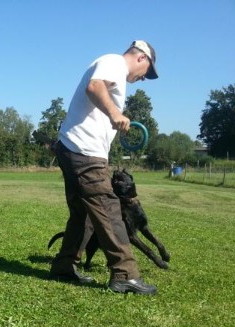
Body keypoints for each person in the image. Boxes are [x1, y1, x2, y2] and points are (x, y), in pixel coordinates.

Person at [50, 40, 159, 295]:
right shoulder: (114, 63)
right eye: (148, 73)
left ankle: (65, 266)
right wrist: (114, 114)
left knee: (84, 214)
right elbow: (94, 86)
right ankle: (125, 274)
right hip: (85, 153)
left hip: (73, 148)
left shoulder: (114, 69)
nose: (144, 79)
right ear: (142, 58)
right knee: (109, 210)